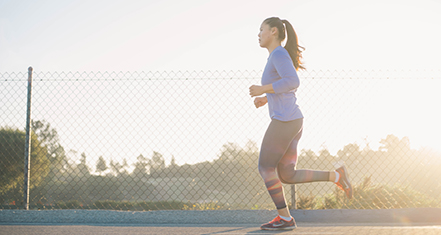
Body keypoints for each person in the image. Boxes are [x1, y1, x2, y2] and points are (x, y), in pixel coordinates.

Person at [249, 17, 353, 231]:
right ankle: (337, 176)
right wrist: (266, 97)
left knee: (266, 167)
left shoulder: (278, 53)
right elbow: (285, 85)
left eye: (262, 30)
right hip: (293, 120)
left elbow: (293, 81)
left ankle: (285, 218)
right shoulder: (275, 56)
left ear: (274, 31)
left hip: (286, 121)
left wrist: (263, 89)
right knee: (286, 174)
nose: (258, 34)